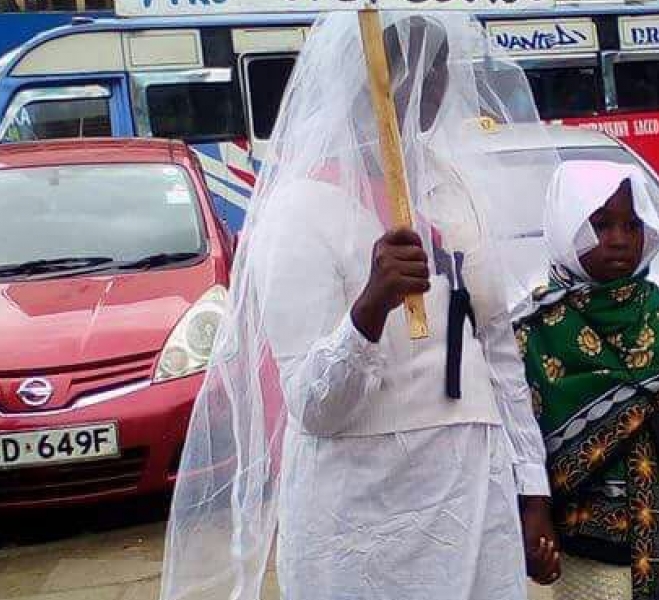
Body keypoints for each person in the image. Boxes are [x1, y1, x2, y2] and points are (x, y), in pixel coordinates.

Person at [158, 13, 562, 600]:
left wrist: (531, 488)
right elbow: (314, 407)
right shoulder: (299, 213)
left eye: (435, 64)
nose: (423, 81)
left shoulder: (453, 192)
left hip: (477, 495)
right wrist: (370, 307)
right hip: (364, 517)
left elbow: (498, 350)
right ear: (356, 76)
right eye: (398, 62)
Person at [514, 160, 659, 600]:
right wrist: (531, 512)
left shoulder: (658, 314)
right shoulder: (533, 333)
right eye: (600, 225)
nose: (619, 239)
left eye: (632, 224)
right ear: (566, 228)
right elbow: (518, 439)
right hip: (592, 556)